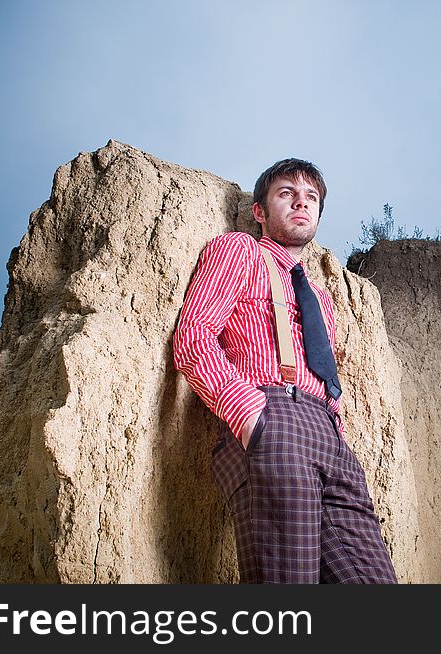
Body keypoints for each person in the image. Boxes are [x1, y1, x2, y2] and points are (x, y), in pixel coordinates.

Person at [173, 158, 397, 584]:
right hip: (272, 419)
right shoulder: (238, 251)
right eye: (286, 193)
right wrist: (251, 416)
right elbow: (194, 336)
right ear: (260, 211)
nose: (301, 202)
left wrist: (336, 430)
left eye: (311, 197)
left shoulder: (320, 297)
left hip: (330, 439)